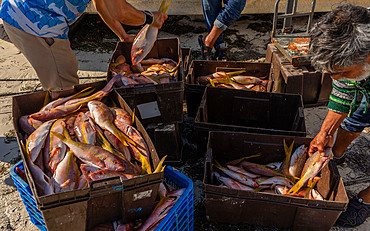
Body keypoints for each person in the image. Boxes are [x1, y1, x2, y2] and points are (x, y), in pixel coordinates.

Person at [0, 0, 167, 90]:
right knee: (64, 85)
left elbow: (101, 4)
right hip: (36, 23)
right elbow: (120, 11)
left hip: (14, 11)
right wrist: (151, 18)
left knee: (61, 76)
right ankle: (60, 142)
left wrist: (122, 35)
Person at [308, 4, 370, 228]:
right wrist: (325, 133)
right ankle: (338, 153)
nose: (337, 78)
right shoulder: (358, 39)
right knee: (357, 113)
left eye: (343, 72)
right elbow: (344, 89)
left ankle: (366, 200)